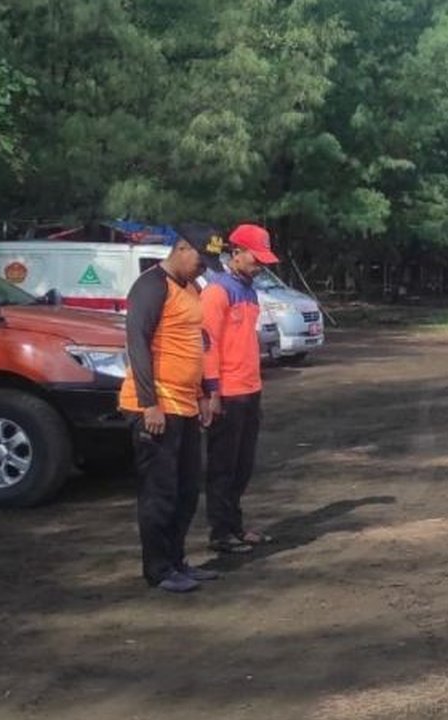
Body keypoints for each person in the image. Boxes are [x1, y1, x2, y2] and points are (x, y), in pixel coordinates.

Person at [120, 224, 224, 593]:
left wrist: (201, 396)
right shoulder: (151, 286)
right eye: (200, 259)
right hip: (155, 406)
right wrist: (150, 404)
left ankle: (178, 560)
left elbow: (193, 348)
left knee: (185, 489)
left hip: (185, 405)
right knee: (159, 493)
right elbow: (137, 344)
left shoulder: (191, 288)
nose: (203, 268)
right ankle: (158, 569)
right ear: (181, 248)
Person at [202, 223, 281, 554]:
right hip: (228, 393)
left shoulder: (248, 290)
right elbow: (208, 345)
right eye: (255, 257)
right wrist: (213, 393)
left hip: (251, 389)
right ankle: (221, 532)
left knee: (243, 465)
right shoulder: (217, 292)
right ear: (236, 253)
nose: (259, 265)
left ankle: (234, 524)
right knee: (223, 465)